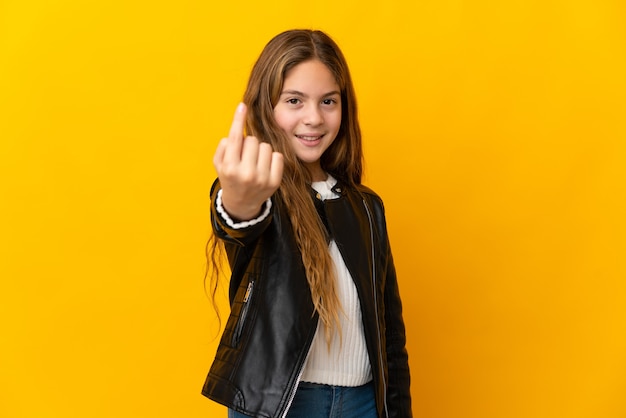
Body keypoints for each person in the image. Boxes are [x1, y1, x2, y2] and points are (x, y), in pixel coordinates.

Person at [202, 29, 412, 418]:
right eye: (294, 100)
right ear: (267, 107)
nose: (313, 118)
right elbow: (236, 220)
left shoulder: (366, 207)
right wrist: (237, 199)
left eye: (328, 101)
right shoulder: (259, 190)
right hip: (280, 405)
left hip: (363, 405)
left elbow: (390, 335)